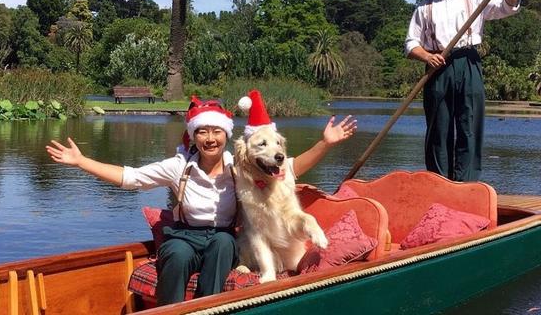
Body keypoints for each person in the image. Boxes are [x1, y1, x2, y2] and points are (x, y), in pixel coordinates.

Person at [46, 94, 356, 306]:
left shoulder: (239, 165)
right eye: (203, 132)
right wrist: (81, 162)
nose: (210, 138)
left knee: (224, 244)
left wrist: (324, 144)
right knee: (177, 255)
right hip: (184, 234)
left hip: (220, 236)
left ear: (225, 136)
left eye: (216, 132)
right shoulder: (179, 166)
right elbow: (131, 177)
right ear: (194, 136)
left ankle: (209, 308)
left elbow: (287, 168)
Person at [405, 0, 520, 182]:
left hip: (468, 62)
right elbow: (410, 45)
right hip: (438, 67)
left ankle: (466, 183)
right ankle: (439, 182)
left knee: (469, 123)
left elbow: (508, 7)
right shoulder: (423, 8)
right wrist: (427, 57)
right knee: (439, 128)